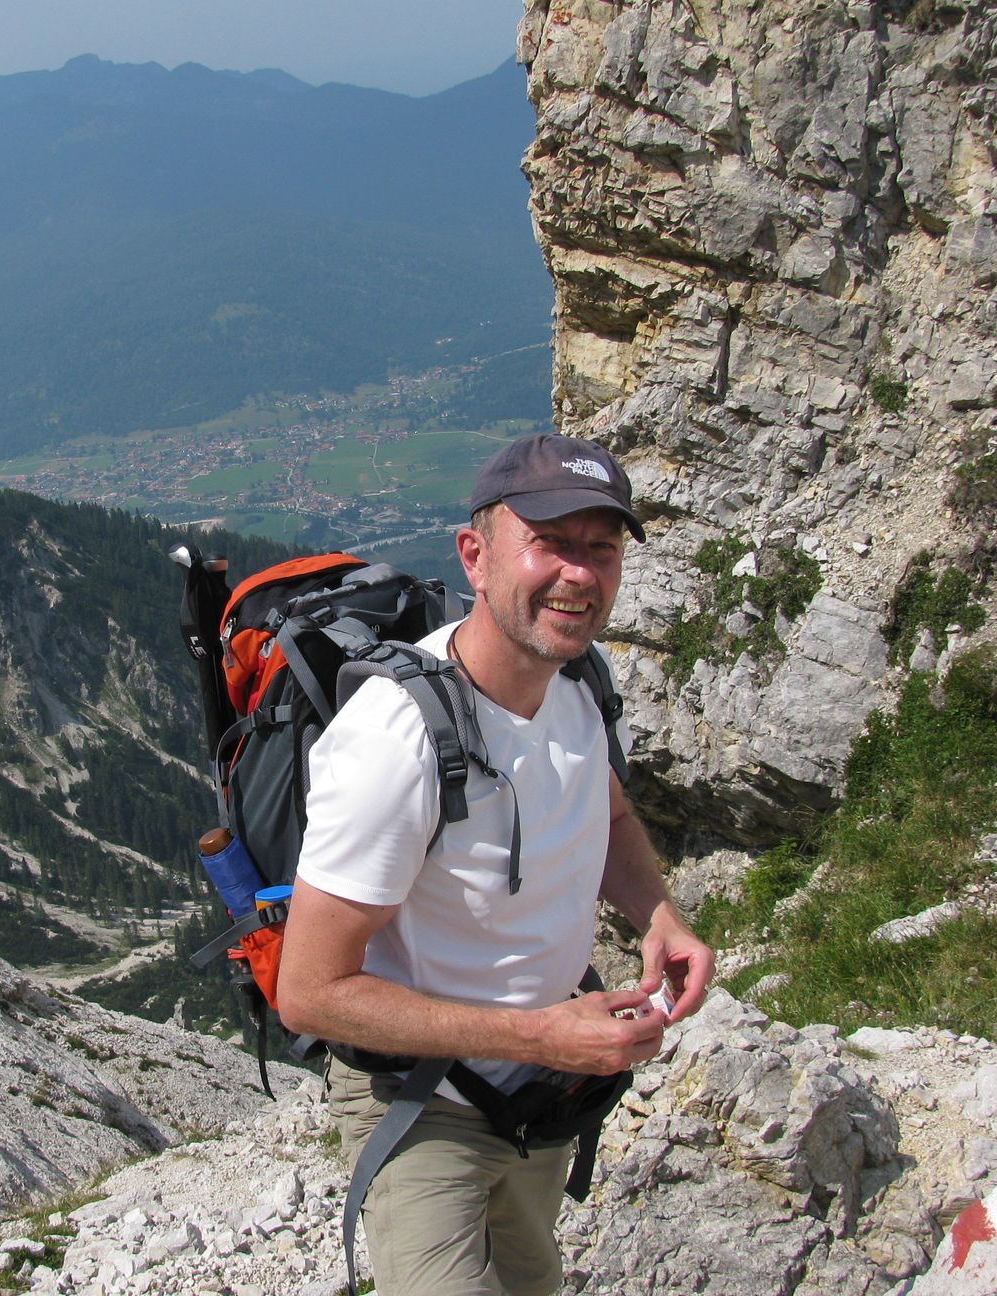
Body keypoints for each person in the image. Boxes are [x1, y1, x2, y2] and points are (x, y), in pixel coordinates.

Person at [276, 433, 715, 1296]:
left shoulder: (582, 681)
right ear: (474, 556)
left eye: (602, 548)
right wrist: (540, 1032)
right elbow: (310, 991)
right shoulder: (396, 739)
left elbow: (610, 813)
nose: (580, 575)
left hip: (540, 1096)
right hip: (421, 1106)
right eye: (550, 542)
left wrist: (659, 918)